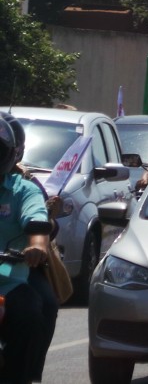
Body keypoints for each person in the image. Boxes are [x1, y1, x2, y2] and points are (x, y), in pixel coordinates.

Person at [0, 118, 58, 384]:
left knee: (31, 311)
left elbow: (36, 220)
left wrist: (36, 245)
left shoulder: (24, 189)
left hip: (9, 282)